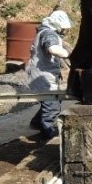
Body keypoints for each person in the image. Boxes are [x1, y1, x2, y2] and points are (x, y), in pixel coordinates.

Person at [26, 10, 72, 139]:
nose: (64, 30)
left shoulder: (44, 31)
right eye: (63, 28)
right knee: (52, 105)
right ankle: (46, 131)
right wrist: (68, 54)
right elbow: (52, 49)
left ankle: (36, 123)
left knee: (48, 100)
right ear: (57, 24)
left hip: (40, 74)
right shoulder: (48, 34)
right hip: (42, 75)